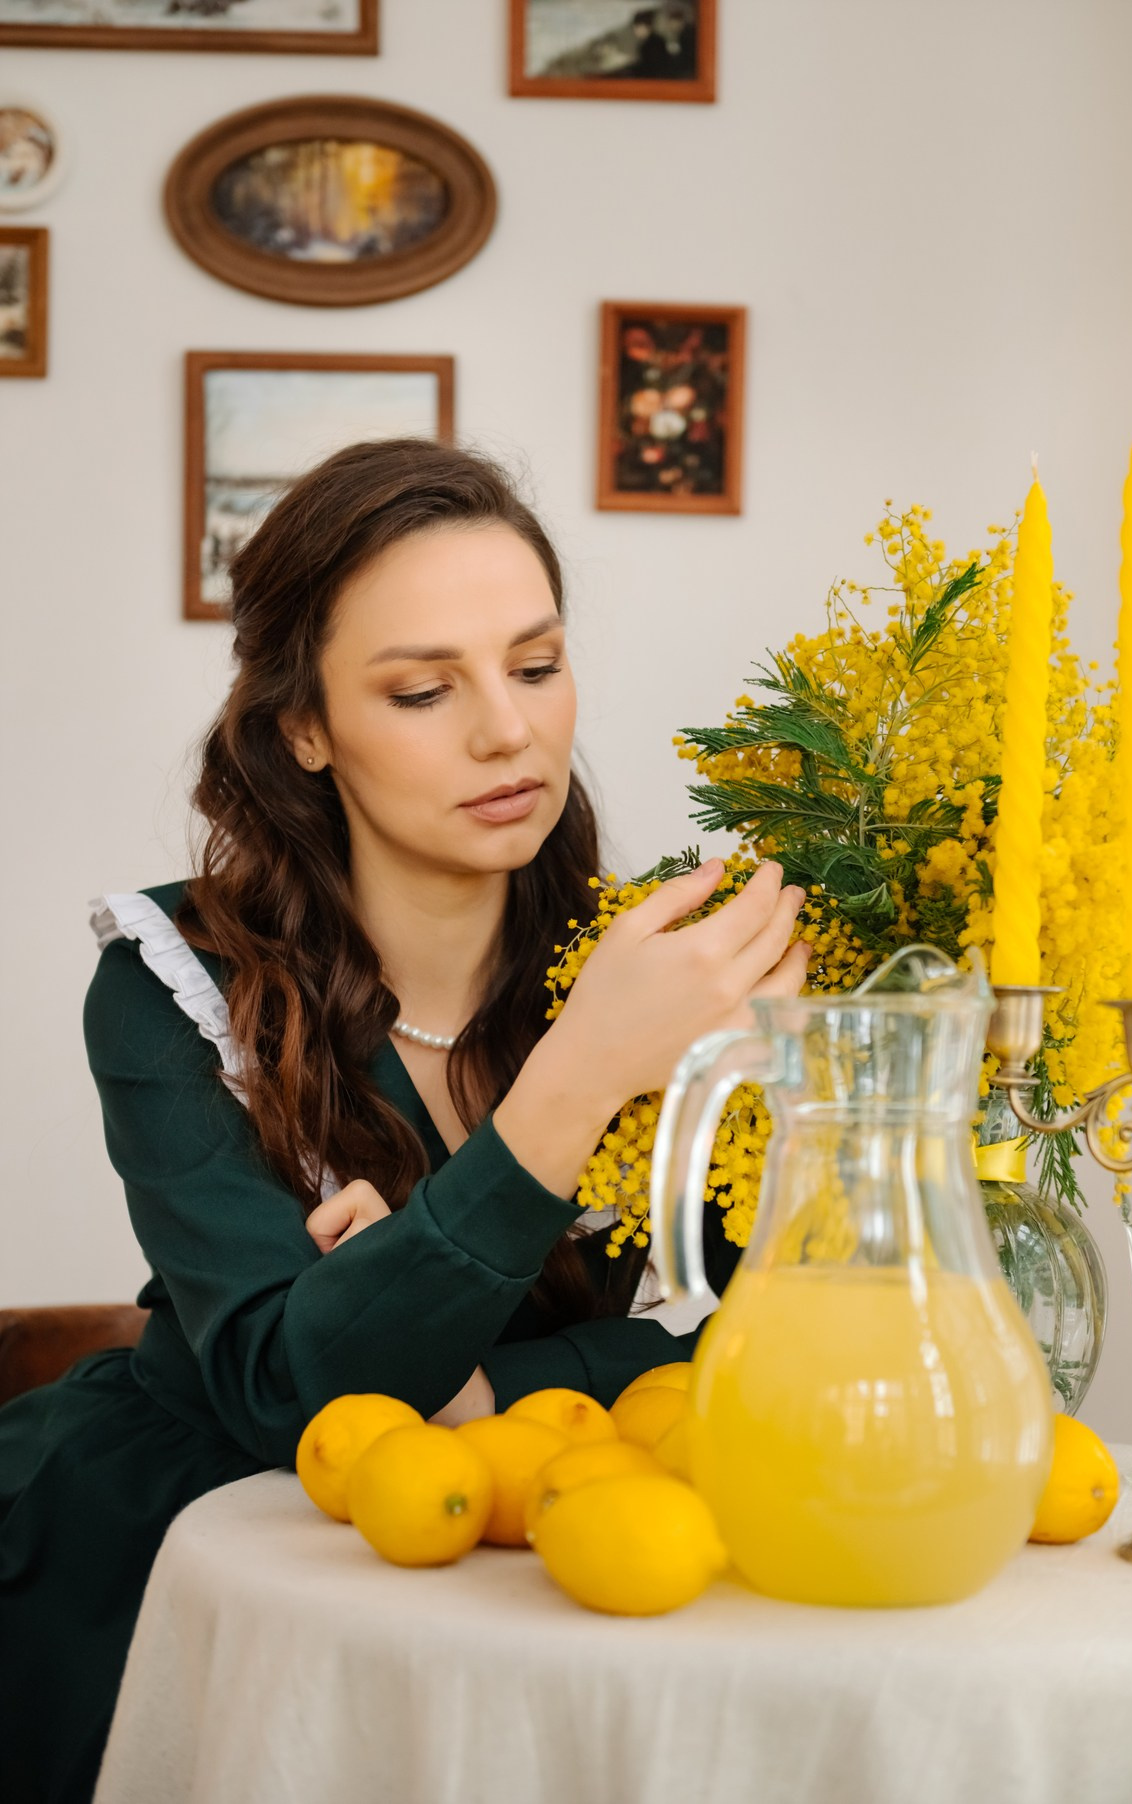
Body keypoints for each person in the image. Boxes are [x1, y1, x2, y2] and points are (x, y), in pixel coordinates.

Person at [0, 438, 808, 1803]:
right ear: (305, 727)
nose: (508, 731)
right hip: (189, 1564)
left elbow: (773, 1333)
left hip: (551, 1557)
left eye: (538, 667)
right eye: (425, 689)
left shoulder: (650, 963)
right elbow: (286, 1394)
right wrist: (575, 1083)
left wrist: (470, 1376)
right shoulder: (173, 984)